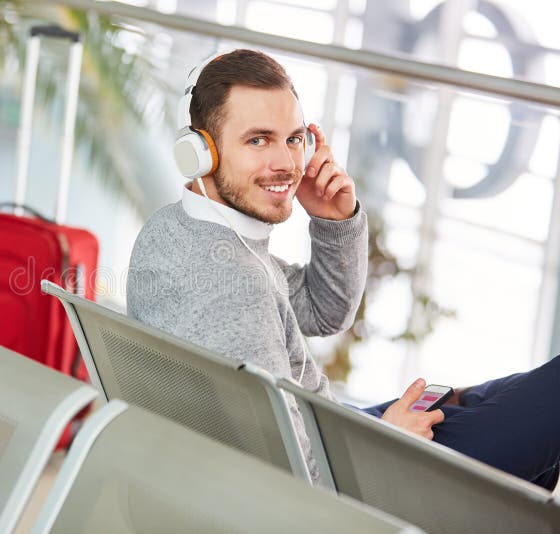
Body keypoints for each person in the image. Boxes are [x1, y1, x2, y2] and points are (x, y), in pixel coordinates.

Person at [126, 48, 560, 489]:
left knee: (480, 401)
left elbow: (324, 310)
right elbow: (290, 477)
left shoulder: (179, 232)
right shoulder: (232, 285)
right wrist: (386, 442)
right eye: (258, 139)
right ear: (202, 151)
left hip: (327, 435)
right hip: (350, 485)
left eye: (294, 139)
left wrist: (335, 220)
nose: (287, 164)